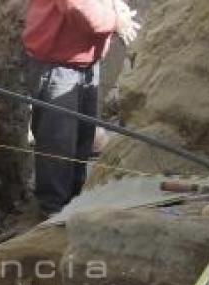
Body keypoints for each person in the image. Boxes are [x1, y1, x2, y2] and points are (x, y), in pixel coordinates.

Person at [23, 0, 140, 216]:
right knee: (58, 145)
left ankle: (72, 205)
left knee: (81, 139)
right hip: (57, 64)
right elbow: (80, 9)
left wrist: (115, 6)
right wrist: (116, 20)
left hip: (83, 61)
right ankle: (53, 212)